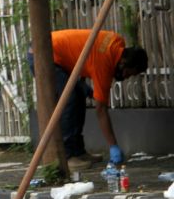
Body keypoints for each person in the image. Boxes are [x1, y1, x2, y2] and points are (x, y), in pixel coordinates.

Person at [39, 29, 148, 170]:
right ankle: (68, 156)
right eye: (129, 73)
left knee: (78, 95)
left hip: (56, 49)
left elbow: (86, 52)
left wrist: (82, 84)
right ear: (123, 63)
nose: (126, 77)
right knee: (70, 99)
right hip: (44, 54)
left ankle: (78, 152)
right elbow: (101, 111)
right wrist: (113, 146)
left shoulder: (117, 40)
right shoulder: (105, 64)